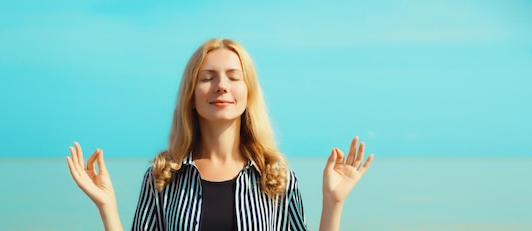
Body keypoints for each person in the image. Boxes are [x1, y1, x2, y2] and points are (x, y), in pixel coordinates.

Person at [66, 38, 374, 231]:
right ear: (191, 95)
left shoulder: (276, 179)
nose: (221, 86)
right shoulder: (162, 177)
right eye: (207, 78)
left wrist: (333, 203)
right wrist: (107, 207)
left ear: (247, 92)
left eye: (233, 77)